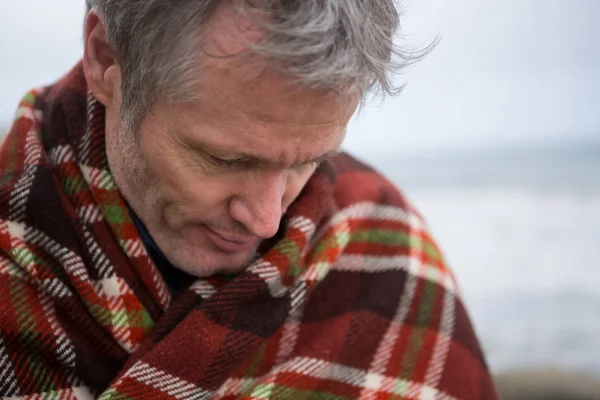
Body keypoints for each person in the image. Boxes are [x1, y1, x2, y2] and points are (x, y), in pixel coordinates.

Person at [0, 1, 498, 398]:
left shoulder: (385, 249)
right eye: (225, 160)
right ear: (107, 59)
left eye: (308, 161)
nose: (266, 220)